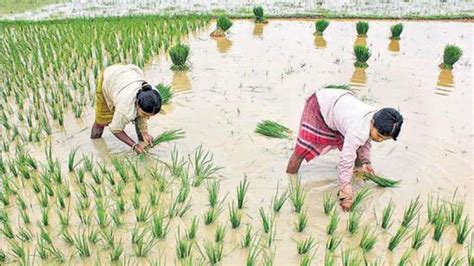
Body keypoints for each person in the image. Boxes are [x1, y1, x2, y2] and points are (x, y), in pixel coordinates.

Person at [286, 87, 403, 211]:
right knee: (302, 149)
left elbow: (366, 140)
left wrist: (366, 162)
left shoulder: (378, 118)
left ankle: (357, 171)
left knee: (358, 148)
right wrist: (345, 188)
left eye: (384, 139)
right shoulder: (357, 130)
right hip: (320, 105)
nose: (379, 140)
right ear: (372, 122)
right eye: (379, 136)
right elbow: (345, 161)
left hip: (341, 107)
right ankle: (290, 179)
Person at [90, 64, 162, 154]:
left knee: (140, 116)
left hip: (128, 74)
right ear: (137, 104)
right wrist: (133, 145)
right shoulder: (125, 108)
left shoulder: (154, 95)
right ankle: (94, 143)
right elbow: (115, 129)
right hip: (110, 78)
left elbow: (142, 115)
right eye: (145, 115)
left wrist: (145, 132)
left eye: (150, 116)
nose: (147, 118)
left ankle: (143, 142)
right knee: (101, 120)